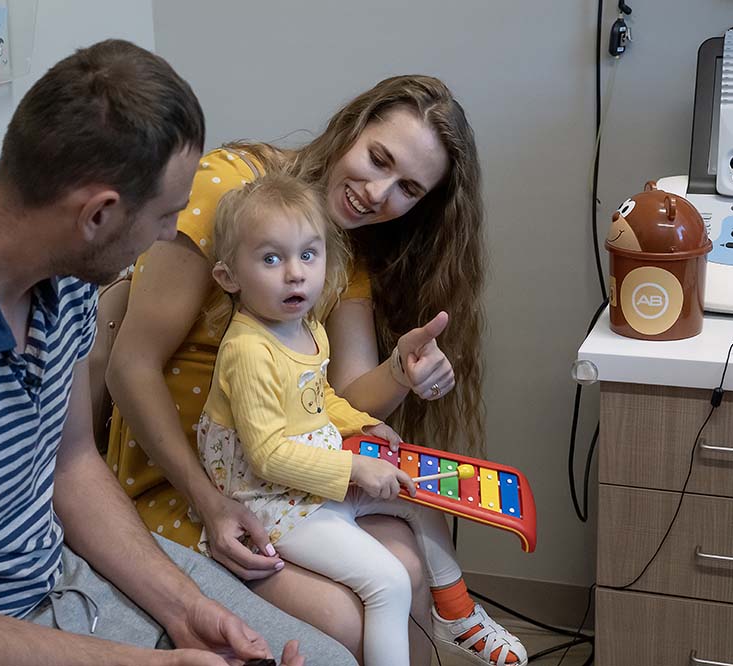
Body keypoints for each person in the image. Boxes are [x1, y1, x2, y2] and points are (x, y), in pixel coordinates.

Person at [0, 40, 355, 666]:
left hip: (55, 579)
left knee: (328, 661)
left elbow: (72, 463)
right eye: (166, 215)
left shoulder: (66, 282)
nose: (170, 235)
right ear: (98, 215)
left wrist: (183, 608)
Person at [105, 75, 506, 665]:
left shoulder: (338, 246)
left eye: (407, 189)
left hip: (282, 473)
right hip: (189, 482)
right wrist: (212, 505)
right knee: (350, 616)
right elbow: (128, 367)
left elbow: (339, 395)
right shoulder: (228, 193)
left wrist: (401, 370)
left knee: (409, 561)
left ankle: (450, 618)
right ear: (351, 127)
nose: (377, 193)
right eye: (377, 159)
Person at [193, 173, 525, 666]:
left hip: (313, 476)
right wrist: (355, 470)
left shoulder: (304, 328)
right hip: (271, 502)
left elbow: (318, 396)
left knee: (422, 495)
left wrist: (358, 424)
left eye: (308, 255)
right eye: (271, 258)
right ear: (228, 278)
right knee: (388, 581)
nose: (295, 274)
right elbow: (266, 457)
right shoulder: (249, 351)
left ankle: (456, 613)